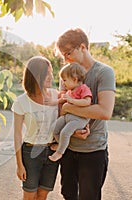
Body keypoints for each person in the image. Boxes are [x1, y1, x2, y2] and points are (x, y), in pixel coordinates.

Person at [55, 28, 116, 200]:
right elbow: (61, 107)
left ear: (82, 47)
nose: (65, 59)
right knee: (68, 195)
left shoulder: (104, 72)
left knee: (89, 197)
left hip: (93, 149)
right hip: (68, 147)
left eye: (68, 53)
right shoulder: (66, 74)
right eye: (63, 56)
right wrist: (69, 121)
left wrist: (68, 108)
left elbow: (104, 111)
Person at [12, 56, 60, 200]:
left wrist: (59, 143)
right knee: (29, 196)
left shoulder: (56, 95)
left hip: (51, 152)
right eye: (47, 73)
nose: (50, 77)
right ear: (35, 75)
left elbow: (64, 122)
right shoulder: (21, 102)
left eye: (51, 73)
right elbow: (17, 135)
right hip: (30, 152)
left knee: (42, 195)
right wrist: (19, 165)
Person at [49, 62, 92, 162]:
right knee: (54, 128)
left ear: (75, 79)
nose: (63, 83)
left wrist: (72, 101)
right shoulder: (70, 91)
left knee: (65, 132)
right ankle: (62, 145)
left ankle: (59, 153)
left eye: (65, 80)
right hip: (68, 116)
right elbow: (62, 101)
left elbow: (87, 101)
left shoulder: (83, 88)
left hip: (79, 119)